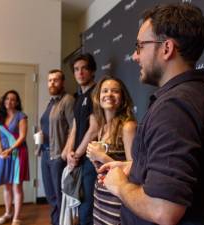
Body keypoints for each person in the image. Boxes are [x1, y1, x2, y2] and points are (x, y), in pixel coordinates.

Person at [99, 3, 204, 225]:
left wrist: (120, 186)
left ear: (166, 49)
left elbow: (164, 210)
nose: (135, 56)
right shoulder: (194, 94)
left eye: (140, 46)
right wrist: (132, 168)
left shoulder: (174, 107)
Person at [86, 76, 137, 224]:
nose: (109, 94)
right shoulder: (102, 127)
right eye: (105, 91)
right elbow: (102, 169)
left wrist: (101, 157)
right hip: (101, 195)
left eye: (115, 91)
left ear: (122, 98)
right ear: (98, 97)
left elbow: (134, 169)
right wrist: (94, 159)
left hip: (117, 198)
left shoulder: (128, 127)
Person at [62, 53, 98, 225]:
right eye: (76, 69)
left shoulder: (96, 94)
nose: (80, 72)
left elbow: (94, 129)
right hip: (79, 159)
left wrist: (76, 154)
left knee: (87, 210)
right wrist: (69, 152)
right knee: (80, 207)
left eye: (84, 68)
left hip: (91, 159)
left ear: (92, 71)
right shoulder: (78, 97)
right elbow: (75, 128)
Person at [39, 69, 74, 225]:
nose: (52, 83)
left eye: (55, 80)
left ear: (63, 82)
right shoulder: (51, 102)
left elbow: (74, 127)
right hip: (45, 154)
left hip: (58, 156)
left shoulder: (67, 100)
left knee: (60, 198)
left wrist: (65, 151)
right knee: (51, 197)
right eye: (49, 80)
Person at [0, 90, 29, 225]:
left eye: (13, 99)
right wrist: (0, 152)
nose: (10, 101)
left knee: (16, 186)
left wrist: (9, 150)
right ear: (4, 101)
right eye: (7, 99)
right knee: (6, 186)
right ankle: (8, 213)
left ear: (17, 102)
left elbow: (22, 137)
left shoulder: (21, 116)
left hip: (18, 154)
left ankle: (16, 217)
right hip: (4, 155)